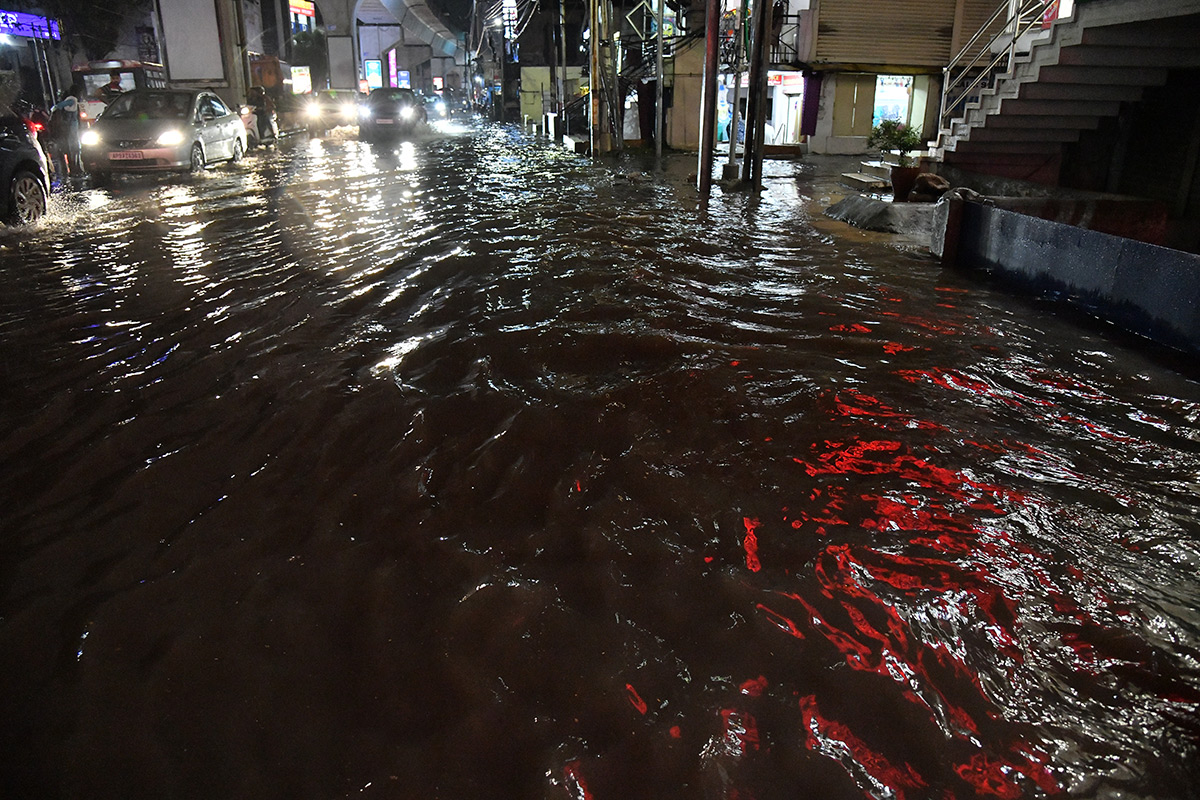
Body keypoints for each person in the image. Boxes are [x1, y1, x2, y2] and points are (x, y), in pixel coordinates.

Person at [48, 84, 83, 184]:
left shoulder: (70, 99)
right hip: (71, 127)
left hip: (68, 126)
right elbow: (57, 107)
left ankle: (72, 167)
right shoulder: (72, 99)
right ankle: (74, 168)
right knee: (73, 146)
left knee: (71, 146)